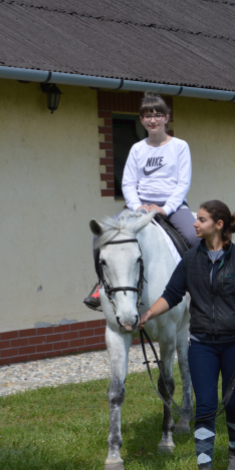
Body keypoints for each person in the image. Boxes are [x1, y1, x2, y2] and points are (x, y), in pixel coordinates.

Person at [140, 200, 235, 470]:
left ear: (218, 225)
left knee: (233, 403)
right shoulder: (190, 259)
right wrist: (146, 314)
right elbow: (171, 294)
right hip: (202, 344)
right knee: (205, 405)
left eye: (202, 220)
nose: (195, 223)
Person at [84, 92, 198, 310]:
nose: (153, 120)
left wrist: (165, 209)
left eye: (158, 115)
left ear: (167, 117)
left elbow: (183, 183)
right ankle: (100, 286)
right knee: (98, 234)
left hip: (171, 207)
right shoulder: (137, 148)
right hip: (139, 206)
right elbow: (127, 183)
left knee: (194, 238)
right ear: (141, 120)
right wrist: (138, 206)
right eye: (147, 115)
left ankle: (198, 289)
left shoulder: (179, 146)